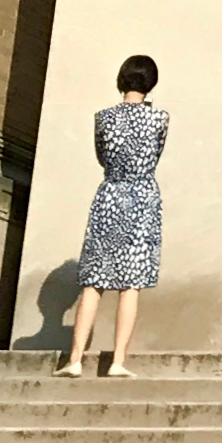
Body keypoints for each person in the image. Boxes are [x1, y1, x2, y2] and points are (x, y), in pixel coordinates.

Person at [59, 54, 166, 378]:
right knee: (130, 284)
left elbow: (101, 156)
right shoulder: (160, 119)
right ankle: (118, 360)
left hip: (110, 195)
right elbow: (156, 154)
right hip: (142, 196)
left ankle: (75, 359)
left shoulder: (103, 117)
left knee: (93, 281)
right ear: (151, 83)